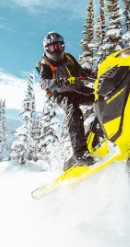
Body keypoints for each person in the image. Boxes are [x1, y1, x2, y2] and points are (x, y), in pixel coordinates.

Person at [36, 32, 96, 167]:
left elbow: (79, 70)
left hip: (77, 89)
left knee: (101, 96)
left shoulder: (69, 57)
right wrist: (61, 82)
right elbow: (44, 83)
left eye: (58, 46)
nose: (56, 50)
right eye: (52, 48)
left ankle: (100, 131)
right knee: (73, 110)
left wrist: (90, 73)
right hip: (61, 94)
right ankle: (80, 153)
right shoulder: (44, 63)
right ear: (47, 49)